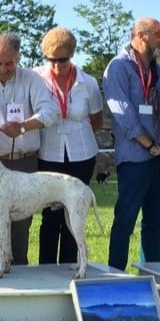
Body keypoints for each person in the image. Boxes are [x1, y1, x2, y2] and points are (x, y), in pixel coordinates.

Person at [0, 32, 57, 268]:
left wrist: (24, 127)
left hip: (24, 161)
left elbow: (50, 112)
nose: (3, 69)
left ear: (18, 58)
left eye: (9, 64)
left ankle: (18, 274)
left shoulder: (32, 79)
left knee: (21, 223)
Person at [105, 18, 160, 272]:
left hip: (159, 157)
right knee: (125, 219)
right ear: (141, 35)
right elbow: (122, 113)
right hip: (135, 157)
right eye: (159, 34)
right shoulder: (118, 67)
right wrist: (149, 145)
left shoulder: (157, 69)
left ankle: (152, 276)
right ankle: (116, 276)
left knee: (155, 222)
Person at [33, 27, 104, 267]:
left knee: (74, 214)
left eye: (62, 60)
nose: (56, 66)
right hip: (49, 153)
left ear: (72, 55)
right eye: (51, 60)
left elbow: (96, 120)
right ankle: (46, 268)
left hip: (81, 154)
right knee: (50, 215)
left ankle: (71, 266)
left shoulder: (89, 83)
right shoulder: (36, 77)